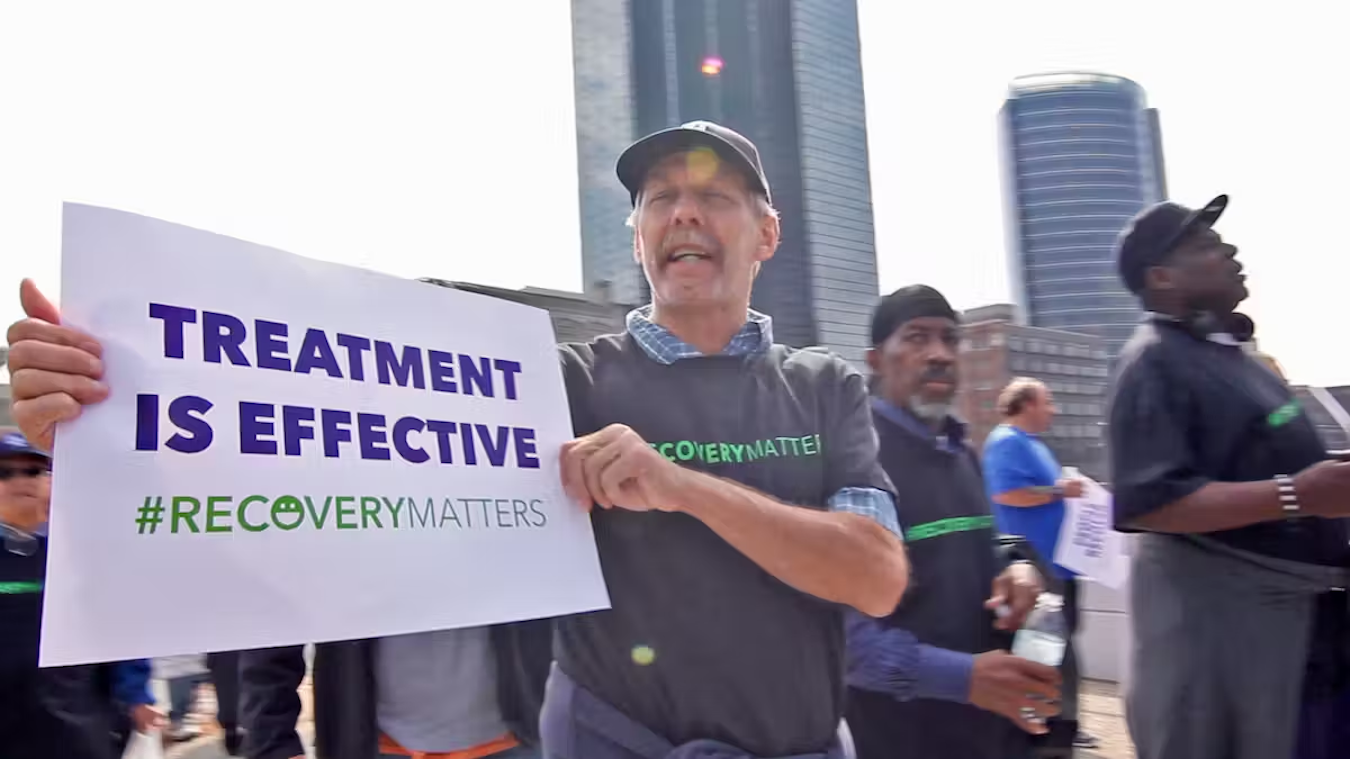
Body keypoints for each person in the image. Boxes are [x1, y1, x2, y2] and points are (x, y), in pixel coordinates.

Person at [5, 120, 909, 759]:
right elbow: (302, 464)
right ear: (636, 235)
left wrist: (681, 485)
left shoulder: (825, 387)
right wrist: (108, 418)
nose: (683, 213)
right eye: (660, 197)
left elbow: (874, 574)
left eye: (714, 195)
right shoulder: (559, 381)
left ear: (767, 232)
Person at [1106, 194, 1350, 759]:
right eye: (1205, 246)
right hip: (1246, 648)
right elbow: (1149, 501)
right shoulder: (1151, 362)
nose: (1229, 250)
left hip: (1305, 639)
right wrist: (1300, 495)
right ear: (1162, 277)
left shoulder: (1236, 360)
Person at [845, 285, 1060, 759]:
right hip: (899, 736)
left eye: (949, 339)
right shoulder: (854, 461)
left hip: (988, 728)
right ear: (877, 360)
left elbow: (984, 542)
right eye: (917, 339)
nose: (939, 354)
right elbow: (843, 641)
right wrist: (963, 679)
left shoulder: (962, 451)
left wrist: (1016, 566)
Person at [0, 429, 144, 758]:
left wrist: (131, 696)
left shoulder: (77, 557)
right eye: (5, 472)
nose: (22, 481)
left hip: (77, 734)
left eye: (33, 471)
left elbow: (118, 631)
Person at [981, 378, 1096, 751]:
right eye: (1048, 402)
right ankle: (1047, 732)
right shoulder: (1005, 442)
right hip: (1033, 568)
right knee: (1046, 654)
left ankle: (1060, 728)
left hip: (1059, 567)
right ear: (1027, 404)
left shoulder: (1034, 445)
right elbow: (1005, 493)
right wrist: (1060, 490)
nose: (1054, 410)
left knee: (1061, 653)